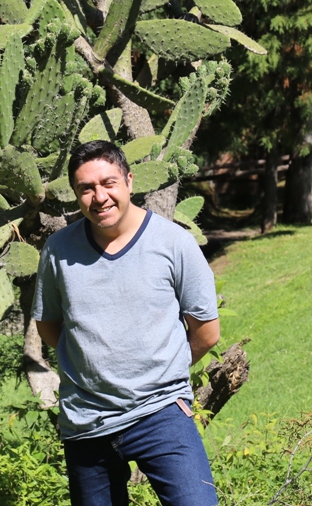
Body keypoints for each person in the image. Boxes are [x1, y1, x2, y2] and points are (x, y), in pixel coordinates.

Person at [33, 140, 221, 506]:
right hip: (87, 421)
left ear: (130, 181)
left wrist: (160, 371)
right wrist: (92, 366)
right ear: (75, 194)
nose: (99, 197)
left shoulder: (174, 243)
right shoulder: (58, 250)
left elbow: (207, 332)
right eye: (86, 188)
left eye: (109, 183)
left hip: (161, 413)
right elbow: (48, 324)